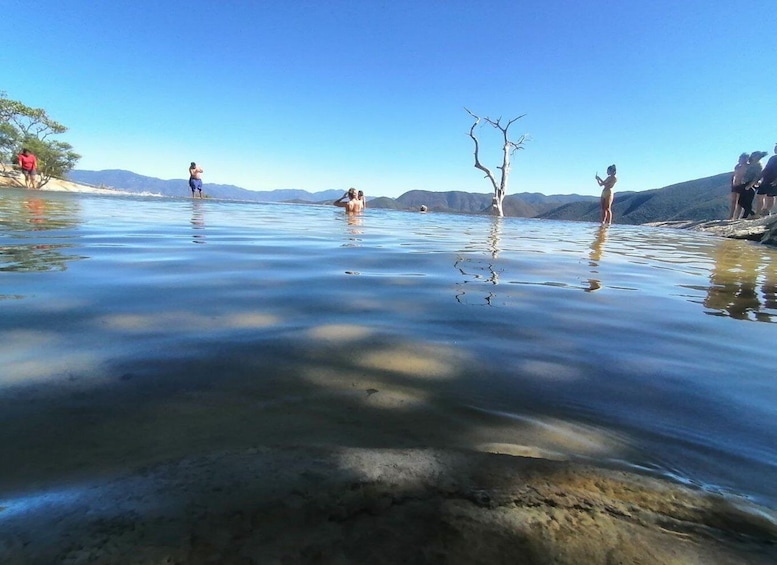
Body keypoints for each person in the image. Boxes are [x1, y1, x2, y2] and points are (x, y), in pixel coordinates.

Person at [740, 151, 767, 219]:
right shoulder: (752, 163)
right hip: (745, 183)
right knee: (742, 201)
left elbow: (757, 176)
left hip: (751, 184)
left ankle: (749, 214)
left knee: (745, 201)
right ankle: (749, 214)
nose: (751, 156)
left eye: (753, 155)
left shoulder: (758, 165)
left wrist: (750, 185)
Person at [756, 143, 777, 216]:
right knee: (759, 195)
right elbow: (766, 169)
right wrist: (759, 178)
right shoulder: (772, 158)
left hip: (773, 180)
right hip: (766, 179)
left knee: (770, 196)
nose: (775, 149)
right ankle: (758, 213)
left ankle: (767, 211)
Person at [730, 152, 749, 219]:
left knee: (740, 202)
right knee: (733, 201)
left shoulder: (748, 167)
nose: (739, 160)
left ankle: (737, 217)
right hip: (735, 185)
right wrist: (733, 182)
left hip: (742, 185)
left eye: (741, 159)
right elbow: (734, 175)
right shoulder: (737, 166)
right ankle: (731, 216)